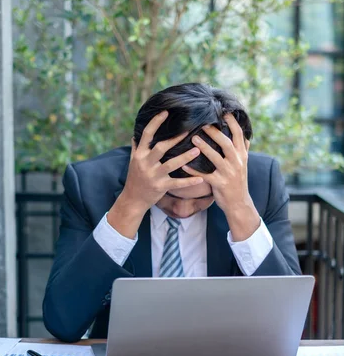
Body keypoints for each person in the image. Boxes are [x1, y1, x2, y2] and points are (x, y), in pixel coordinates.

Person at [43, 83, 301, 342]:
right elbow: (64, 322)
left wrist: (239, 207)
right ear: (138, 154)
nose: (183, 209)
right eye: (170, 194)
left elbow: (290, 322)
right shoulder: (89, 184)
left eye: (202, 198)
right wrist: (130, 203)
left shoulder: (260, 182)